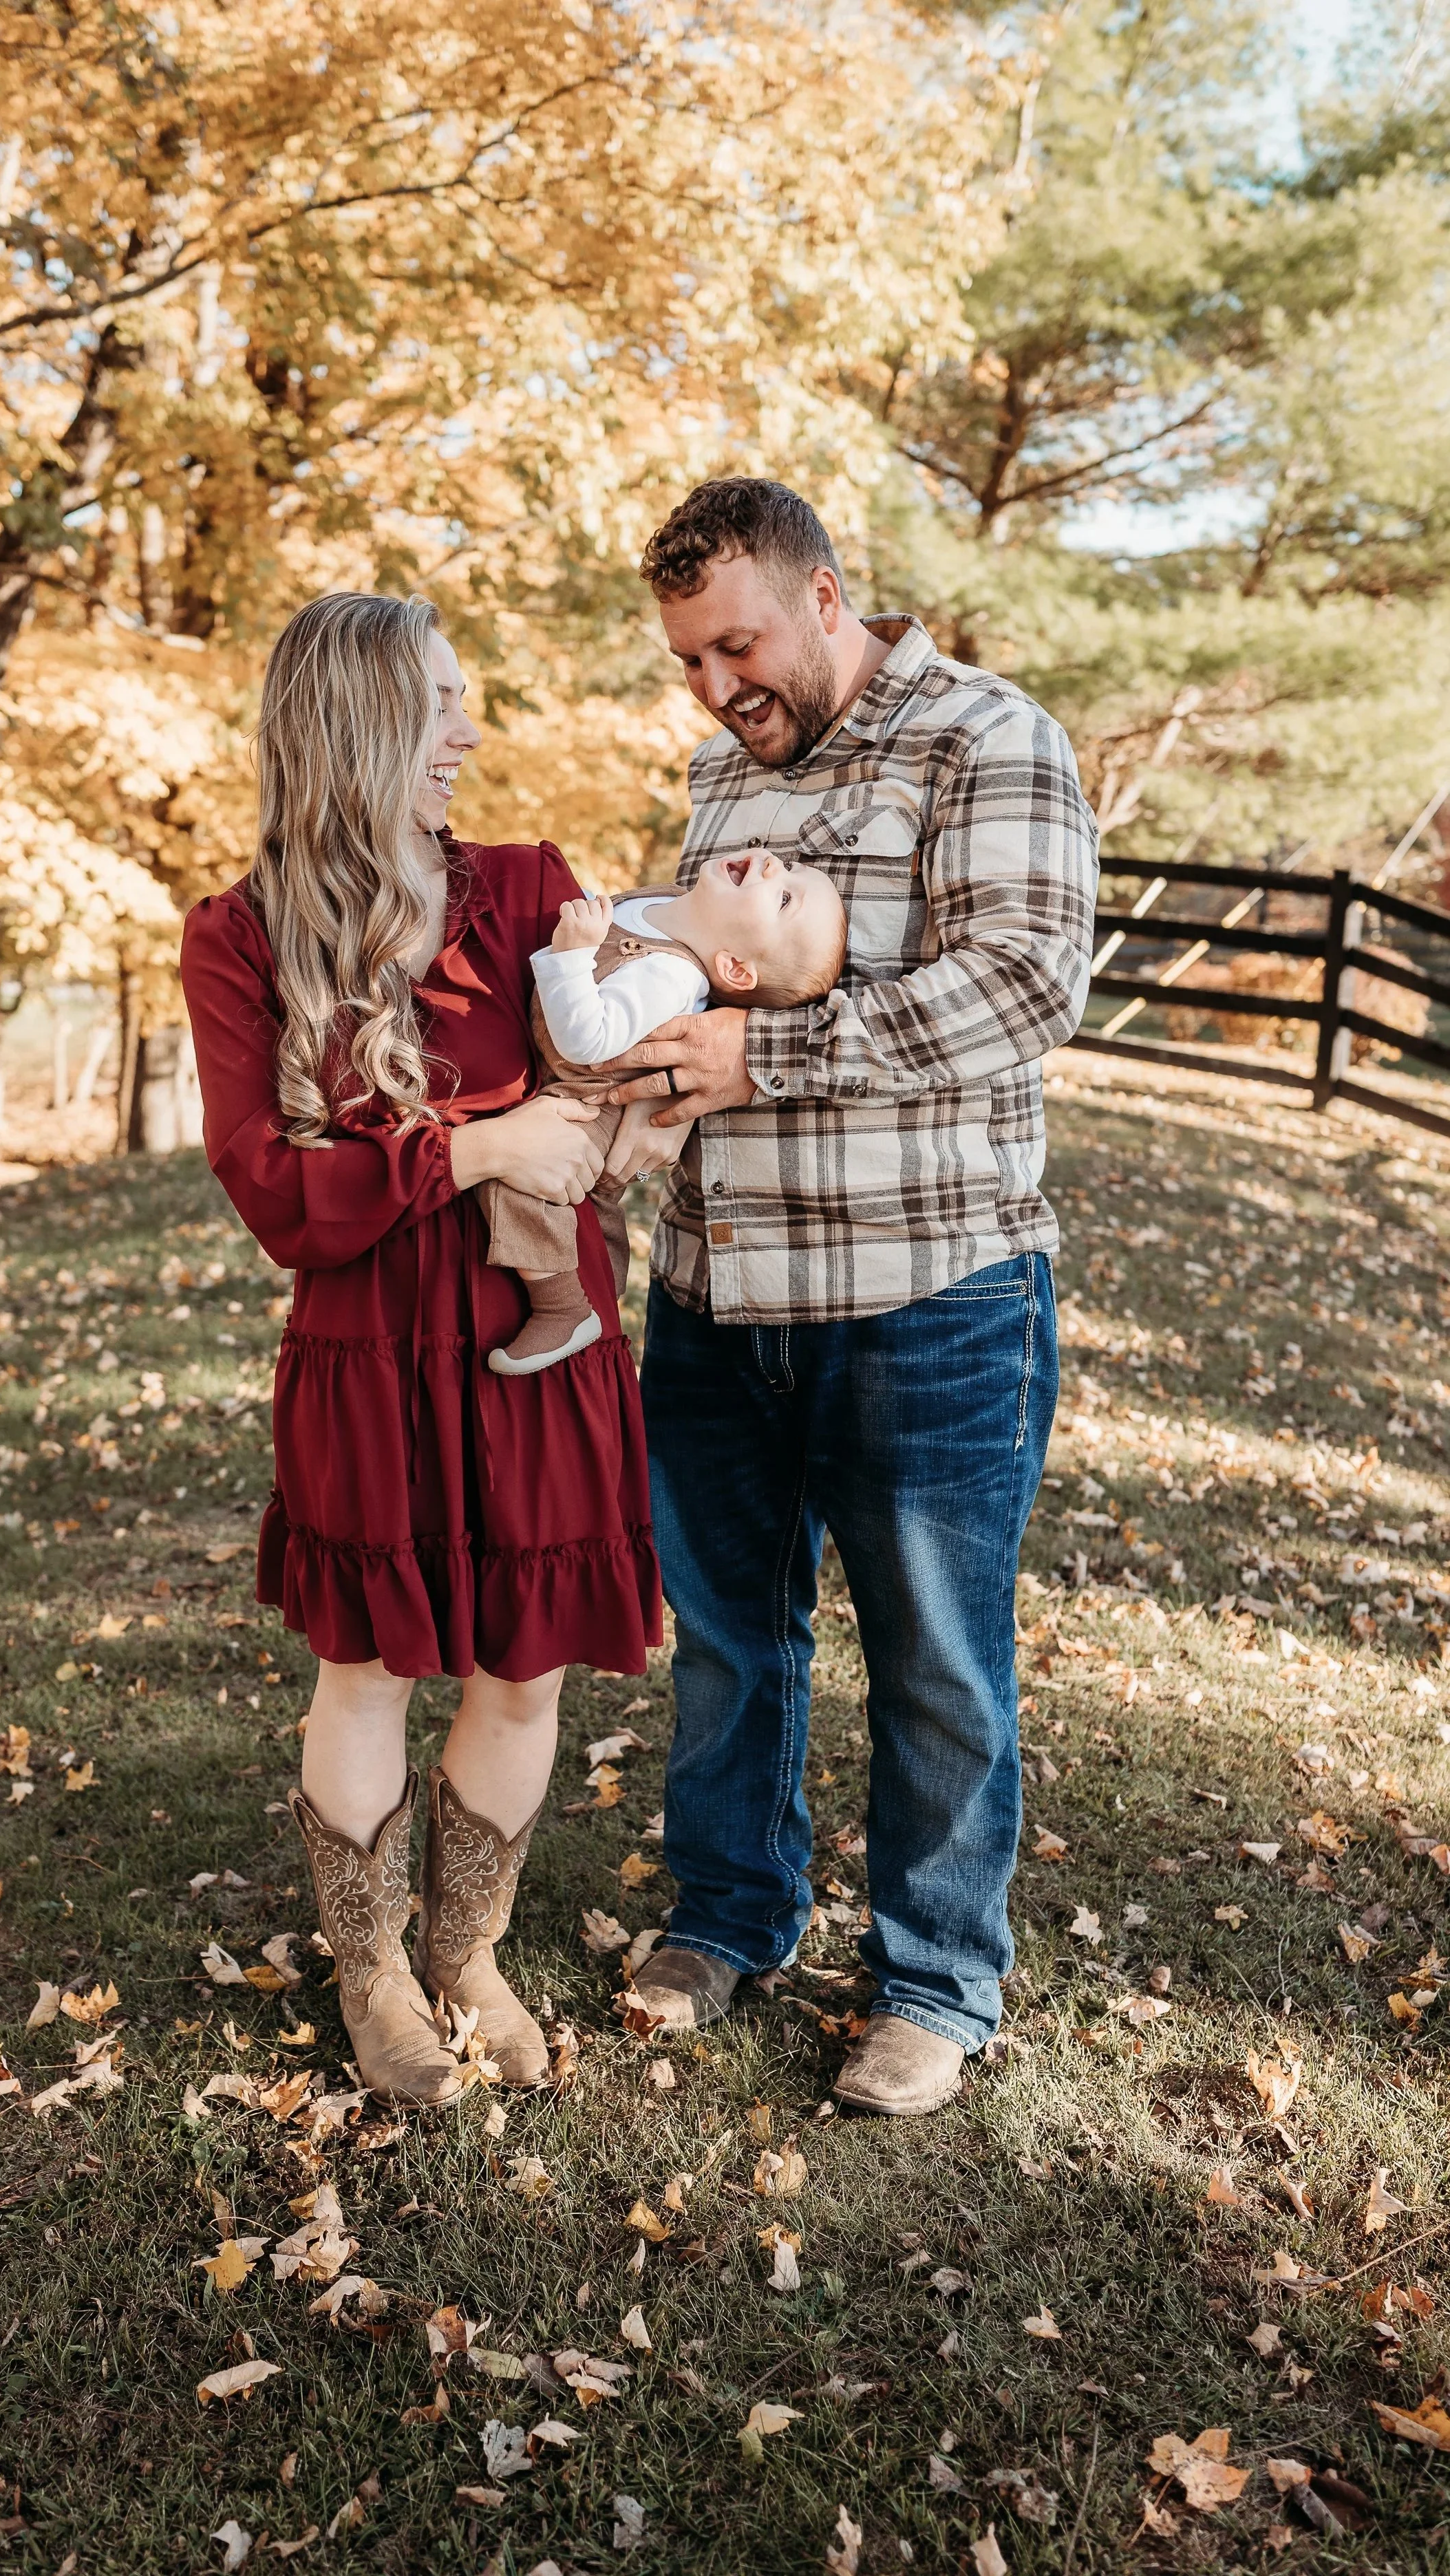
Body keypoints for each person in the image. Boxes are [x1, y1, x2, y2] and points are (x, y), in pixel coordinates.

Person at [605, 477, 1098, 2115]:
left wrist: (768, 1051)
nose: (716, 686)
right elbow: (706, 992)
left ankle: (934, 1978)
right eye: (689, 659)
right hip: (714, 1291)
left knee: (937, 1657)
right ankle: (728, 1914)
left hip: (928, 1299)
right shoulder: (713, 770)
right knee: (732, 1641)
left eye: (737, 643)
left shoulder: (984, 736)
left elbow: (1023, 986)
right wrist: (656, 1063)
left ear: (828, 595)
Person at [180, 591, 663, 2107]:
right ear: (360, 722)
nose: (469, 729)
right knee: (372, 1669)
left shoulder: (528, 891)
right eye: (441, 702)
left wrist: (606, 1130)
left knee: (522, 1676)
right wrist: (483, 1146)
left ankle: (467, 1952)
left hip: (541, 1347)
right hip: (366, 1355)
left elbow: (624, 1063)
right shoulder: (239, 938)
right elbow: (276, 1193)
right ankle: (375, 1973)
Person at [481, 852, 846, 1374]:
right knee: (591, 1217)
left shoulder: (671, 974)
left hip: (591, 1099)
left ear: (735, 969)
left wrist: (571, 956)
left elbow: (589, 1039)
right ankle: (596, 1306)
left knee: (522, 1178)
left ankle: (562, 1307)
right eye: (787, 866)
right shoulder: (665, 902)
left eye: (784, 897)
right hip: (556, 1072)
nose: (772, 866)